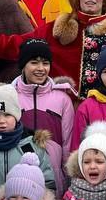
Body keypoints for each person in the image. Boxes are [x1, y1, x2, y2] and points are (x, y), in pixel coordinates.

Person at [13, 38, 78, 191]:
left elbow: (67, 144)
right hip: (17, 177)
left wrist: (67, 180)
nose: (41, 68)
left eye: (45, 63)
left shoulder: (62, 99)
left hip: (54, 180)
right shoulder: (10, 96)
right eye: (34, 62)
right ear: (23, 65)